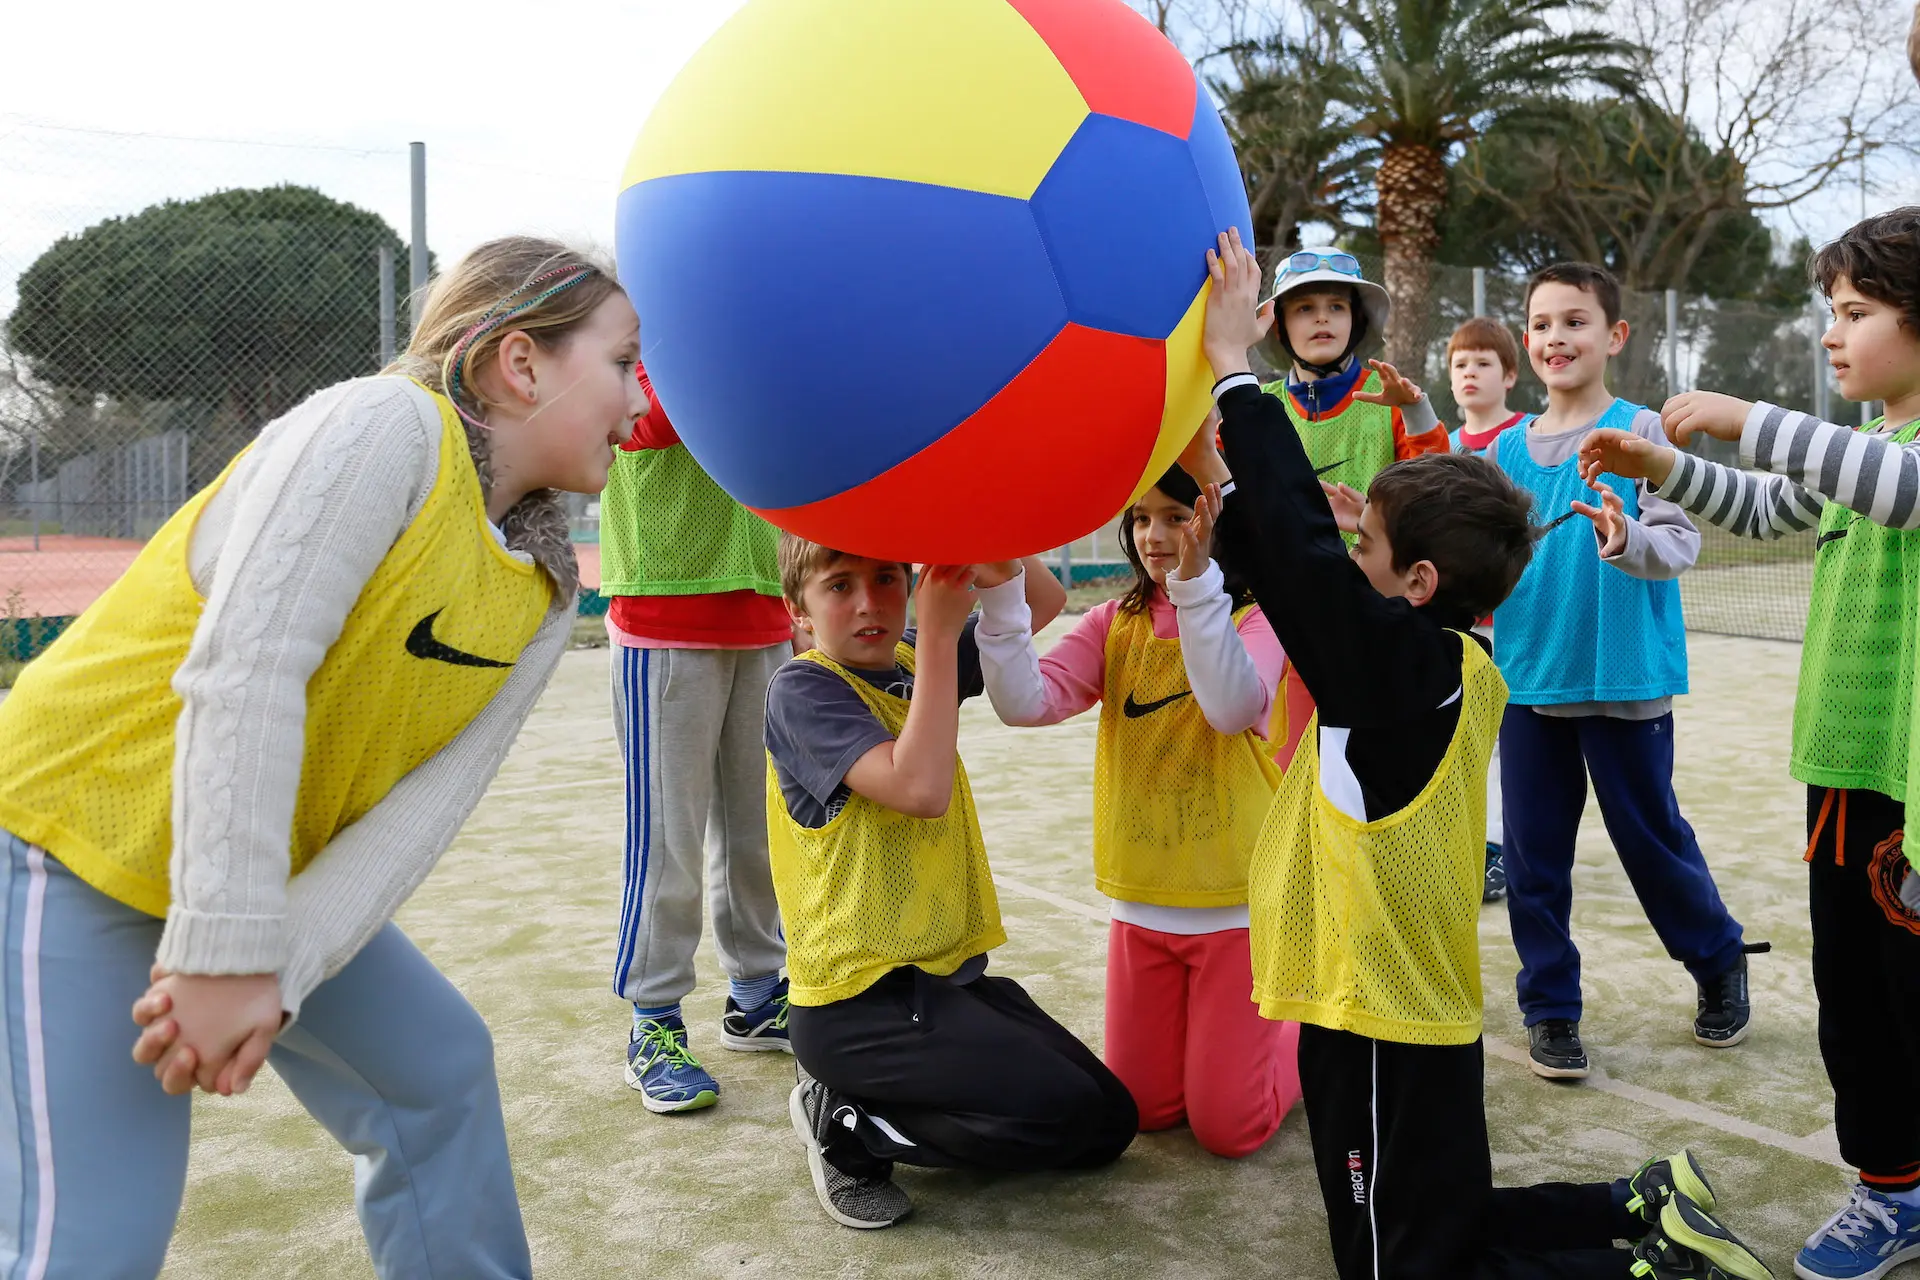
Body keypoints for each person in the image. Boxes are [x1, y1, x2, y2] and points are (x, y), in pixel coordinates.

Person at [0, 237, 647, 1277]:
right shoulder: (382, 424)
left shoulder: (543, 584)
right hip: (64, 841)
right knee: (91, 1245)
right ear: (520, 363)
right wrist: (224, 951)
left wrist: (278, 966)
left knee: (436, 1073)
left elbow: (414, 819)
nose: (640, 403)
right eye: (623, 362)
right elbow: (247, 673)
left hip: (246, 887)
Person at [1182, 226, 1772, 1280]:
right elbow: (1298, 558)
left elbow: (1306, 566)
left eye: (1368, 541)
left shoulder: (1395, 673)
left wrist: (1236, 371)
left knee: (1402, 1268)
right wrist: (1217, 480)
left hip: (1378, 1008)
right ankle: (1642, 1201)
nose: (1347, 538)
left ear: (1414, 584)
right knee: (1441, 1209)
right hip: (1412, 1001)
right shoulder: (1447, 653)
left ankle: (1663, 1271)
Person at [1577, 207, 1920, 1280]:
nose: (1833, 333)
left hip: (1914, 784)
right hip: (1844, 771)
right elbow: (1769, 503)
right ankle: (1891, 1190)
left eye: (1855, 313)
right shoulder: (1859, 451)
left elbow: (1898, 492)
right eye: (1831, 311)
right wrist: (1666, 467)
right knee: (1855, 999)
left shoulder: (1898, 462)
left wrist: (1743, 411)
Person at [765, 542, 1136, 1229]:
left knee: (1109, 1121)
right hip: (860, 1005)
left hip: (943, 979)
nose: (869, 601)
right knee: (1063, 1114)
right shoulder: (803, 689)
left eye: (885, 579)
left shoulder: (908, 657)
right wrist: (937, 632)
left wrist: (978, 539)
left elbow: (1040, 602)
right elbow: (919, 788)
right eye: (839, 586)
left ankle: (887, 1097)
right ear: (799, 611)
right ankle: (852, 1126)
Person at [974, 463, 1299, 1159]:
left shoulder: (1261, 617)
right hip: (1140, 906)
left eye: (1177, 517)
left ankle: (1305, 1031)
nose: (1154, 535)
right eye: (1142, 517)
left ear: (1216, 520)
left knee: (1227, 1131)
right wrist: (1000, 589)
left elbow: (1230, 707)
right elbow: (1025, 703)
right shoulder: (1111, 622)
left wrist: (1193, 589)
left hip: (1236, 908)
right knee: (1145, 1111)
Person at [1491, 262, 1757, 1081]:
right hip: (1528, 683)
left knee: (1651, 842)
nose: (1554, 338)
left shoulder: (1645, 431)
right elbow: (1493, 558)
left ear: (1613, 336)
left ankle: (1718, 959)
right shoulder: (1502, 450)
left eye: (1574, 321)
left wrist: (1622, 537)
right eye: (1540, 324)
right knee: (1535, 860)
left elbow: (1678, 543)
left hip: (1625, 678)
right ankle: (1551, 1010)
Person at [600, 358, 791, 1113]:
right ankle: (653, 1021)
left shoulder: (755, 337)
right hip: (662, 620)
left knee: (761, 833)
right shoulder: (642, 354)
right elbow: (644, 427)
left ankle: (755, 994)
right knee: (667, 839)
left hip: (766, 615)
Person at [1259, 247, 1450, 772]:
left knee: (1379, 772)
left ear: (1356, 321)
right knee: (1292, 772)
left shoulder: (1387, 403)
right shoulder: (1260, 409)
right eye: (1304, 307)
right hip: (1288, 624)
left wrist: (1416, 411)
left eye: (1336, 306)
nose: (1322, 317)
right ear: (1279, 327)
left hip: (1378, 620)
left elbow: (1440, 495)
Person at [1447, 313, 1533, 904]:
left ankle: (1501, 848)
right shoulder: (1443, 447)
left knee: (1509, 740)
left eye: (1483, 363)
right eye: (1460, 364)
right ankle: (1467, 840)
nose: (1470, 373)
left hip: (1518, 624)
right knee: (1462, 734)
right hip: (1459, 621)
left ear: (1509, 375)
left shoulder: (1530, 438)